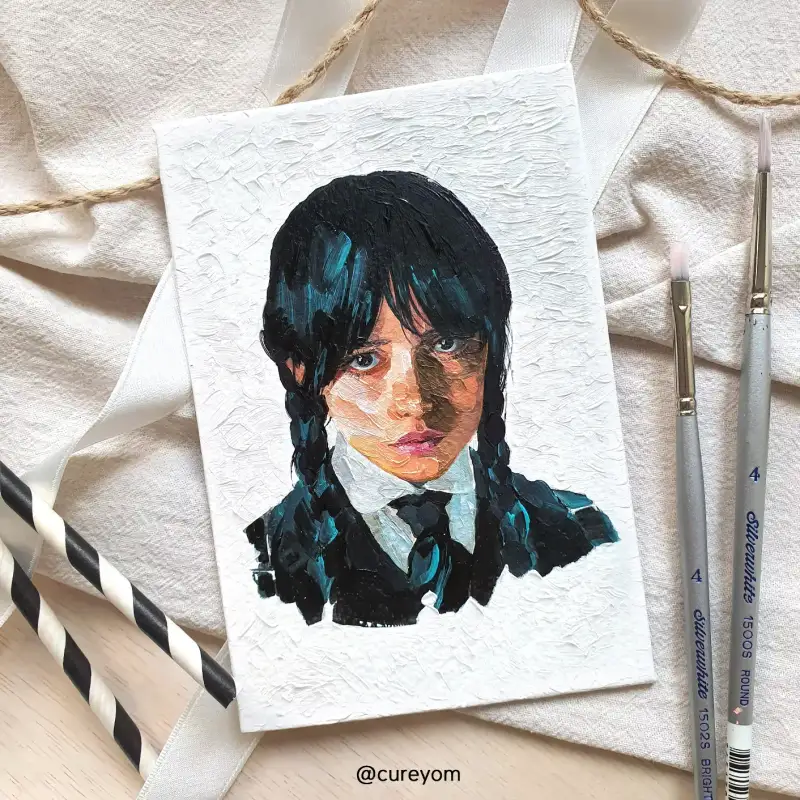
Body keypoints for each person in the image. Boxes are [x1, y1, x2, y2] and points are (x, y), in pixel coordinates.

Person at [245, 171, 618, 627]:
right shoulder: (265, 562)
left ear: (490, 350)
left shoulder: (579, 530)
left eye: (446, 345)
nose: (417, 400)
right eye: (364, 360)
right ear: (300, 371)